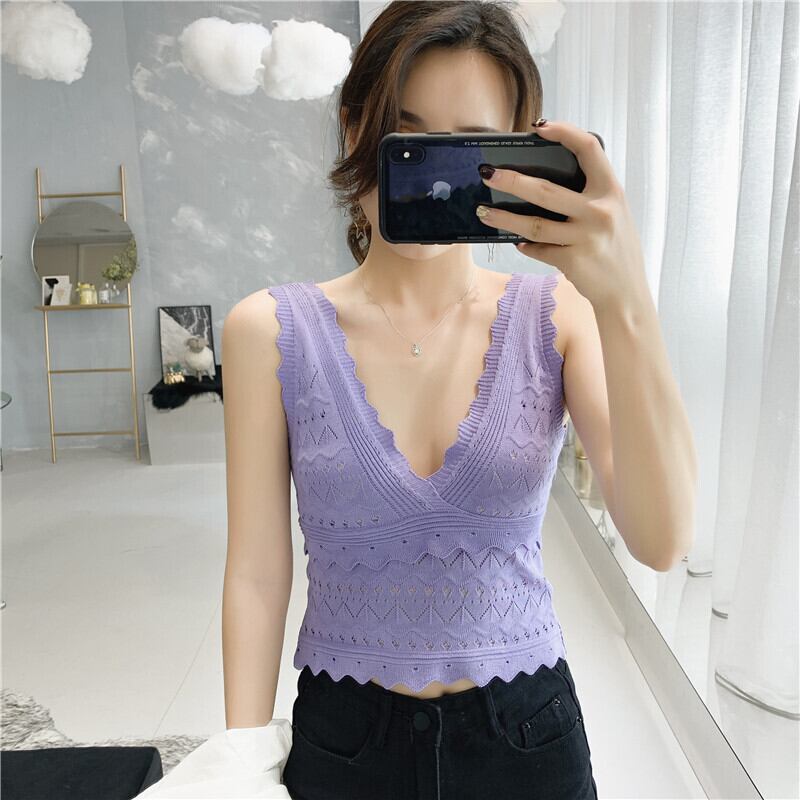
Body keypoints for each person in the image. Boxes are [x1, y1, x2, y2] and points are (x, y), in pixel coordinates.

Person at [221, 2, 697, 799]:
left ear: (513, 157)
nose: (429, 174)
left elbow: (661, 539)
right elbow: (256, 574)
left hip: (527, 735)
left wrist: (626, 299)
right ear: (353, 129)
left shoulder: (558, 316)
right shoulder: (267, 329)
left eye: (465, 146)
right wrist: (238, 765)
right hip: (345, 738)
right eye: (404, 137)